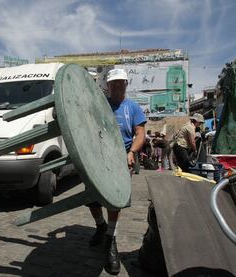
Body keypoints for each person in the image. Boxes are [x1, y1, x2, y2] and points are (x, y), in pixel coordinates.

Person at [86, 68, 146, 275]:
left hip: (122, 158)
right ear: (108, 86)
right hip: (99, 157)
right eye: (114, 83)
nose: (118, 86)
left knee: (114, 199)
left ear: (126, 84)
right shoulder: (100, 104)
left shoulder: (133, 107)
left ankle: (110, 241)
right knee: (91, 197)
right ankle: (100, 226)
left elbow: (140, 134)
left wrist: (132, 152)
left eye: (121, 82)